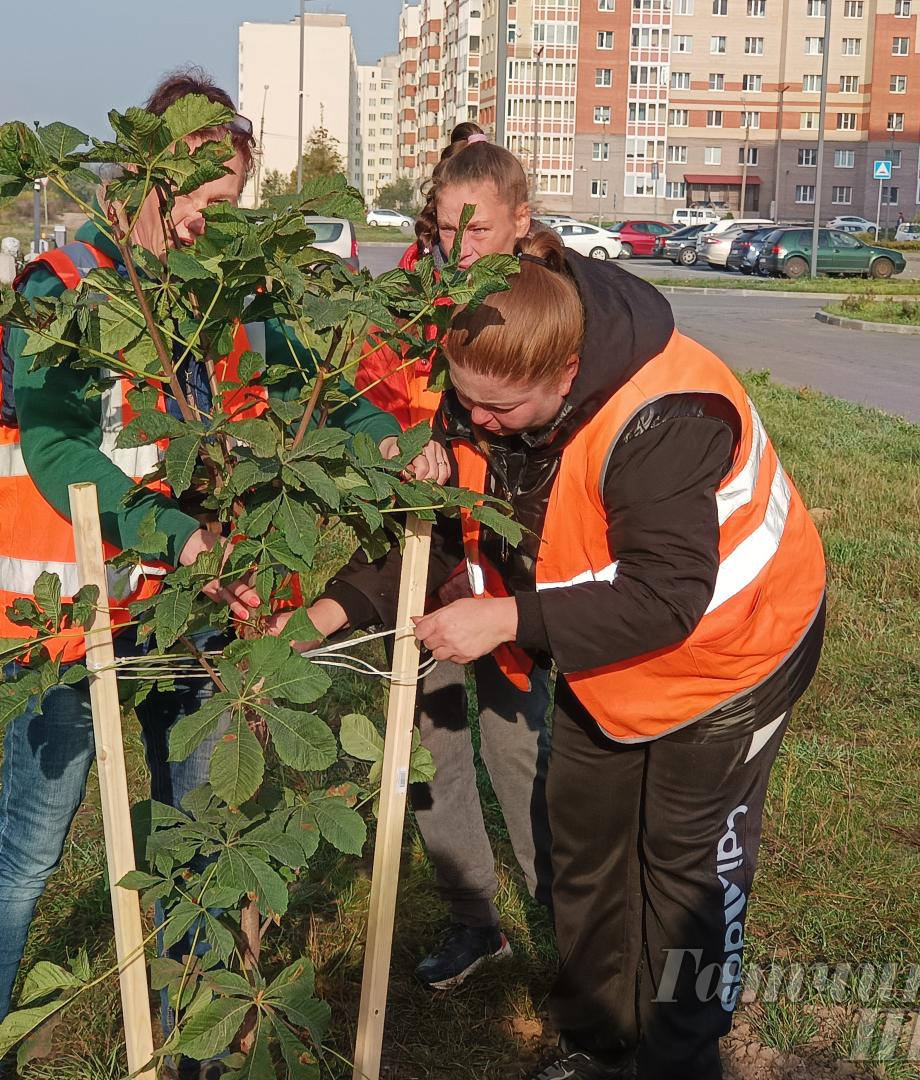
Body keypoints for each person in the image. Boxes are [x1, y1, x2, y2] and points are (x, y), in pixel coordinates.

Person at [0, 70, 409, 1079]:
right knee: (27, 853)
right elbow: (62, 453)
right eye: (201, 197)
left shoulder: (229, 293)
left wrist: (392, 446)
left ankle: (186, 1058)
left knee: (196, 845)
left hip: (197, 622)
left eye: (229, 203)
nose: (212, 221)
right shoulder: (59, 291)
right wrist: (177, 533)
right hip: (75, 623)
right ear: (143, 177)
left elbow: (319, 389)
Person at [306, 230, 827, 1078]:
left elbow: (664, 596)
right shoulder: (490, 383)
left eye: (497, 412)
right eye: (465, 404)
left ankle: (680, 1057)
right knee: (583, 849)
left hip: (735, 654)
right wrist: (325, 613)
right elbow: (446, 527)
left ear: (565, 371)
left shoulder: (668, 415)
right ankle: (596, 1045)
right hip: (603, 647)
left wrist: (507, 617)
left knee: (686, 871)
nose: (475, 422)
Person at [345, 126, 554, 990]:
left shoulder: (545, 299)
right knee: (430, 737)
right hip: (417, 550)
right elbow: (368, 398)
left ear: (519, 223)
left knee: (520, 745)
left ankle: (567, 927)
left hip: (507, 559)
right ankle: (476, 920)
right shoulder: (407, 301)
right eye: (444, 230)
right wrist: (401, 445)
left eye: (477, 229)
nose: (457, 248)